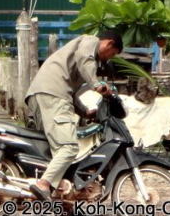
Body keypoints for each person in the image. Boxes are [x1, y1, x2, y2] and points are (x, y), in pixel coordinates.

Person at [24, 29, 123, 201]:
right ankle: (43, 185)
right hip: (53, 95)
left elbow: (71, 94)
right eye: (111, 54)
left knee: (51, 150)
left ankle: (60, 199)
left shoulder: (76, 62)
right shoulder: (90, 41)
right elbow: (86, 60)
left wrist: (85, 111)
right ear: (108, 43)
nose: (108, 59)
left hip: (42, 94)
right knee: (69, 147)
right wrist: (96, 84)